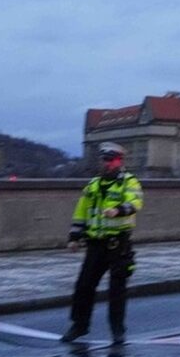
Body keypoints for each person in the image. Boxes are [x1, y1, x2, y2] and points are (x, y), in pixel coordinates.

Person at [61, 142, 144, 344]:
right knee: (84, 286)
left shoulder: (129, 182)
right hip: (96, 244)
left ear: (119, 161)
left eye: (110, 160)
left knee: (117, 290)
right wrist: (74, 238)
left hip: (119, 244)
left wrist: (118, 210)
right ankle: (79, 326)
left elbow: (135, 202)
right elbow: (81, 213)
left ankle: (117, 331)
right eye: (104, 160)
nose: (106, 164)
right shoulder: (93, 185)